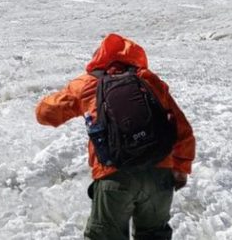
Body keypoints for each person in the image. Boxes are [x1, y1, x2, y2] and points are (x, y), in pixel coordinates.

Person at [36, 33, 196, 240]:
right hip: (158, 173)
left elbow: (45, 114)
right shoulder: (149, 80)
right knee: (155, 235)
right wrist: (181, 168)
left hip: (114, 175)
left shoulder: (87, 83)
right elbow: (182, 129)